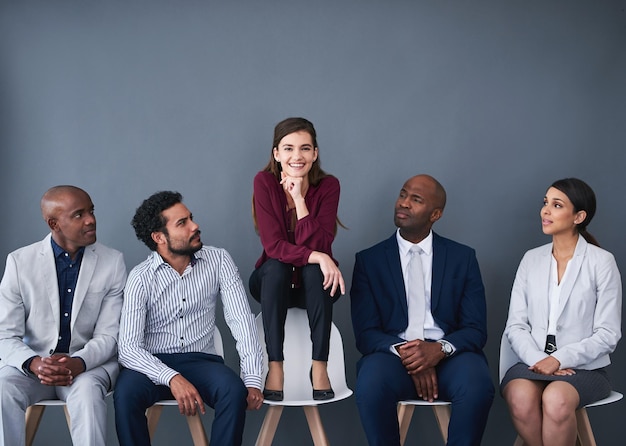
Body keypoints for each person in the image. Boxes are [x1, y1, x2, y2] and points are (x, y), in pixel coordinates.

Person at [351, 174, 494, 446]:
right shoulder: (369, 261)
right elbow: (366, 334)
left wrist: (438, 350)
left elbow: (476, 329)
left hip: (451, 357)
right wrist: (412, 355)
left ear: (435, 214)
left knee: (477, 386)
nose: (403, 203)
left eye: (415, 200)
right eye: (403, 194)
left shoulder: (462, 258)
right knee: (370, 385)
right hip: (392, 355)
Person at [114, 191, 263, 446]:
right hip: (152, 364)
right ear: (159, 237)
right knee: (125, 394)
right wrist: (171, 377)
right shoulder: (140, 277)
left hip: (202, 360)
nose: (195, 226)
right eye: (182, 223)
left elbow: (241, 321)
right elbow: (128, 349)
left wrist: (252, 378)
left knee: (233, 391)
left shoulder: (219, 260)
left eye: (190, 218)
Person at [0, 185, 126, 446]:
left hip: (87, 367)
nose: (91, 219)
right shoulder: (20, 262)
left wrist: (77, 363)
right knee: (2, 388)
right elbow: (4, 335)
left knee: (89, 395)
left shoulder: (112, 262)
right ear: (54, 223)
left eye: (91, 211)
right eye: (79, 214)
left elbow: (110, 335)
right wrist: (35, 363)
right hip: (34, 369)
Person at [501, 178, 621, 446]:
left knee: (555, 399)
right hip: (532, 363)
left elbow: (608, 334)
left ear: (579, 216)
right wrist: (539, 360)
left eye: (557, 205)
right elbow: (516, 326)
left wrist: (559, 359)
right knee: (519, 397)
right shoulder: (531, 259)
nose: (546, 211)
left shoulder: (602, 262)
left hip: (584, 369)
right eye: (546, 203)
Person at [249, 117, 345, 402]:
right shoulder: (264, 182)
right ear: (276, 153)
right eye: (288, 148)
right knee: (278, 266)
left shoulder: (328, 186)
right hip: (271, 285)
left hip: (313, 290)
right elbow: (274, 245)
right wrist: (318, 256)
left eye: (305, 148)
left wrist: (300, 200)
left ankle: (319, 367)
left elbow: (321, 241)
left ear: (315, 153)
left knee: (315, 271)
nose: (297, 156)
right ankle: (275, 366)